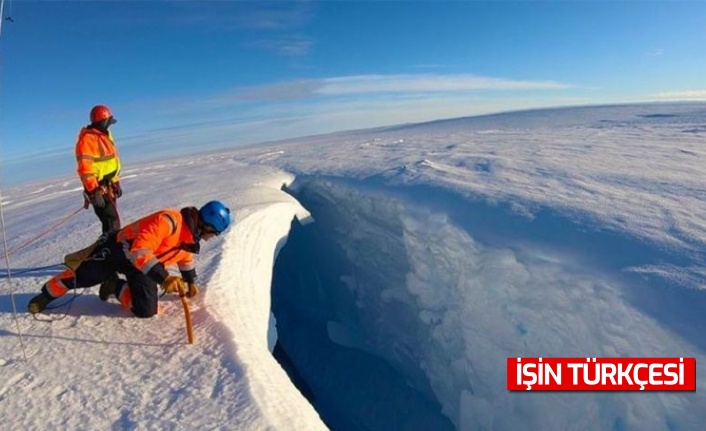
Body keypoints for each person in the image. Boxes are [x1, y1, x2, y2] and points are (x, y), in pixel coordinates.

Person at [27, 200, 232, 318]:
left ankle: (114, 285)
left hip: (143, 267)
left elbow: (184, 256)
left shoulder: (190, 236)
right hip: (118, 253)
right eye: (213, 232)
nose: (211, 237)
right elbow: (139, 250)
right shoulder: (169, 221)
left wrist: (191, 280)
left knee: (146, 311)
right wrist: (164, 278)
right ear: (206, 224)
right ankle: (46, 295)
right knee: (82, 276)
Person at [77, 104, 123, 233]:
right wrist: (93, 190)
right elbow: (85, 170)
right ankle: (109, 249)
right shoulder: (87, 140)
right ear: (103, 121)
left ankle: (111, 246)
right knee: (111, 221)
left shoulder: (106, 135)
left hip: (108, 186)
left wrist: (116, 181)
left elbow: (112, 161)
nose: (110, 125)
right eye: (108, 122)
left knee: (113, 220)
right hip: (98, 187)